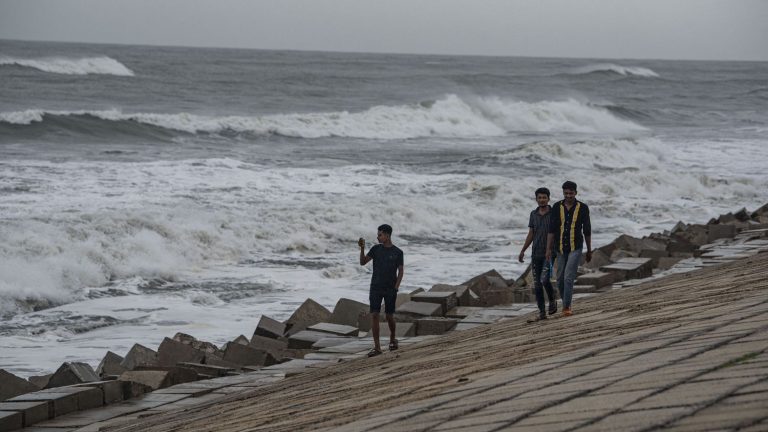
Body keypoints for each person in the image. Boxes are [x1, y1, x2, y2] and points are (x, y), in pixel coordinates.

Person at [546, 181, 592, 317]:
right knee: (559, 278)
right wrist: (548, 249)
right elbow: (551, 230)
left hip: (575, 247)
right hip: (559, 248)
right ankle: (565, 301)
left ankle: (566, 306)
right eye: (566, 193)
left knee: (568, 277)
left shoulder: (583, 208)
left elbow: (587, 230)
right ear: (563, 193)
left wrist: (589, 250)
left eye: (571, 193)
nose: (568, 196)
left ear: (575, 193)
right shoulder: (556, 207)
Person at [359, 224, 404, 357]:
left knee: (389, 315)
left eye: (380, 235)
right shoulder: (375, 249)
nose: (378, 237)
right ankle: (377, 347)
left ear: (387, 236)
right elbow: (363, 262)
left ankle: (392, 339)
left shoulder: (398, 252)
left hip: (390, 288)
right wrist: (362, 248)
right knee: (374, 315)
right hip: (375, 287)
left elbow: (401, 271)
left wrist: (396, 287)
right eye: (378, 235)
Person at [518, 187, 558, 320]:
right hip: (536, 254)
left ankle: (552, 300)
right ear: (536, 199)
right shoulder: (533, 214)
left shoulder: (554, 213)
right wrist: (523, 250)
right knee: (537, 284)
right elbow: (531, 233)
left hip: (549, 253)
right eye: (539, 198)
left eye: (544, 197)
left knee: (544, 279)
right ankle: (542, 312)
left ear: (548, 199)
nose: (542, 200)